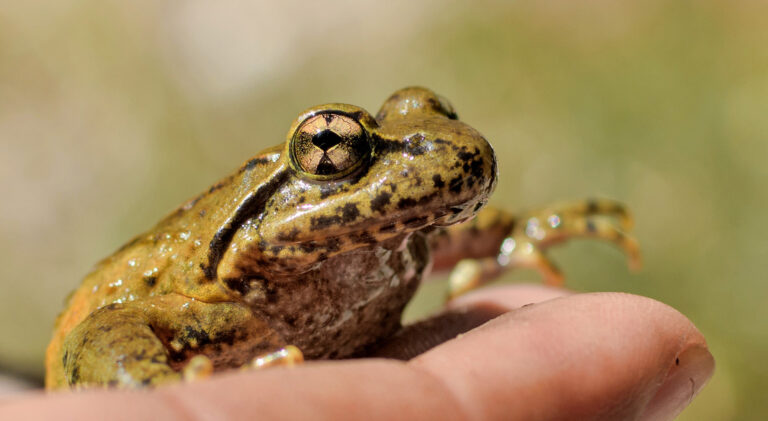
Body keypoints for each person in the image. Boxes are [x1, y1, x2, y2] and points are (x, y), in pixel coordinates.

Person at [0, 284, 713, 420]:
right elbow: (103, 330)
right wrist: (147, 389)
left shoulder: (390, 242)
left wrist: (493, 240)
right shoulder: (208, 299)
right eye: (337, 151)